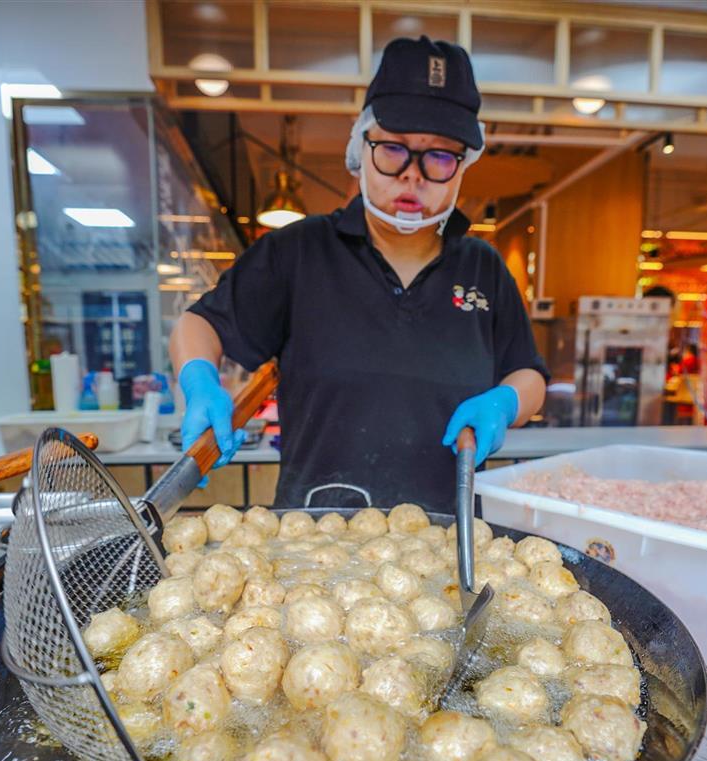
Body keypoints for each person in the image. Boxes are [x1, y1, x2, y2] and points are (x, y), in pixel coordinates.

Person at [170, 36, 548, 513]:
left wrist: (507, 402)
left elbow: (528, 371)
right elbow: (199, 324)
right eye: (393, 149)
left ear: (462, 166)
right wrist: (201, 381)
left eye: (439, 157)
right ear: (361, 147)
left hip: (451, 540)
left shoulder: (483, 267)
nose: (412, 175)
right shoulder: (299, 252)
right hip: (313, 531)